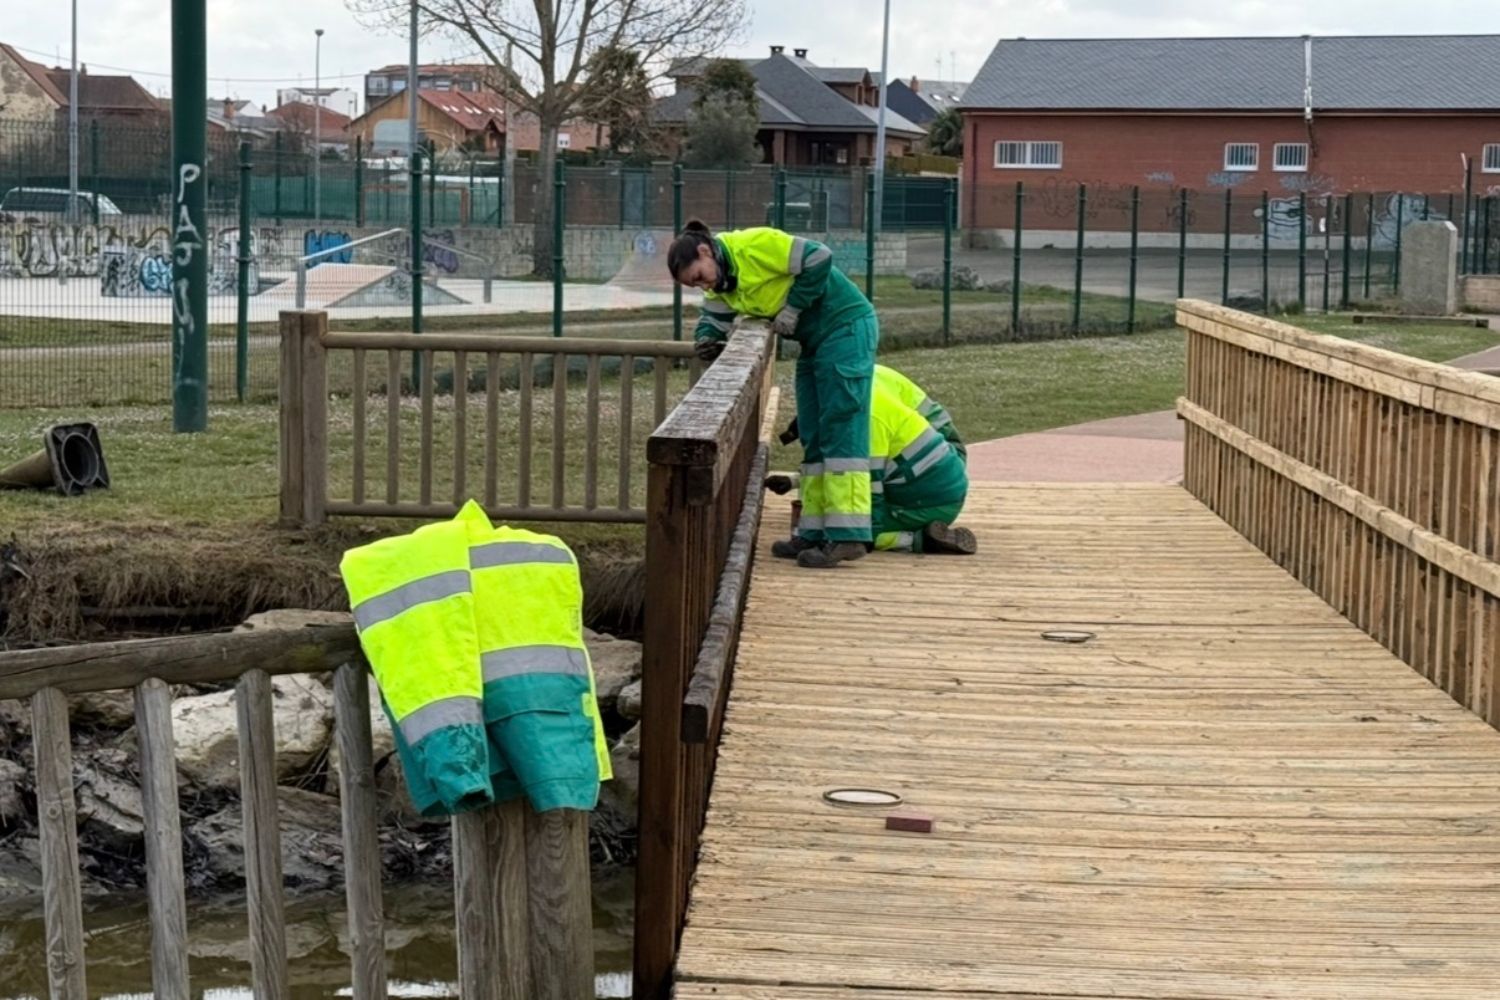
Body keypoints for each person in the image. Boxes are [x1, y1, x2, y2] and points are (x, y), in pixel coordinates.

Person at [668, 220, 876, 568]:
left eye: (699, 276)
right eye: (694, 284)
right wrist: (706, 339)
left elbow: (819, 257)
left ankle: (848, 535)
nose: (703, 285)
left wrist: (793, 307)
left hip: (845, 328)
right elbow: (714, 320)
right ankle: (812, 532)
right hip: (815, 341)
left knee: (840, 428)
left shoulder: (754, 245)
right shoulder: (722, 283)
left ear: (706, 252)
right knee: (813, 432)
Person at [772, 378, 976, 555]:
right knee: (841, 518)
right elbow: (842, 466)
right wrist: (794, 481)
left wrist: (861, 532)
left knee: (846, 531)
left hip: (931, 501)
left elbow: (869, 487)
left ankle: (919, 541)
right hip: (939, 475)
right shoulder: (856, 394)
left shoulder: (867, 423)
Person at [779, 364, 966, 460]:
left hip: (943, 453)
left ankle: (915, 530)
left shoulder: (862, 406)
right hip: (937, 447)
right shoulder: (849, 382)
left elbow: (865, 471)